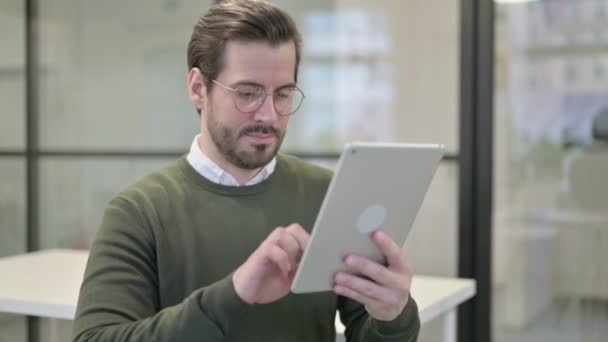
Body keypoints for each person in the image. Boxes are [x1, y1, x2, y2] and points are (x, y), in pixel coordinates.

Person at [72, 0, 421, 341]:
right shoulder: (138, 212)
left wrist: (392, 317)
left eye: (283, 94)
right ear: (198, 89)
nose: (268, 115)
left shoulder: (327, 193)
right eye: (248, 93)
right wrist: (234, 295)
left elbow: (369, 333)